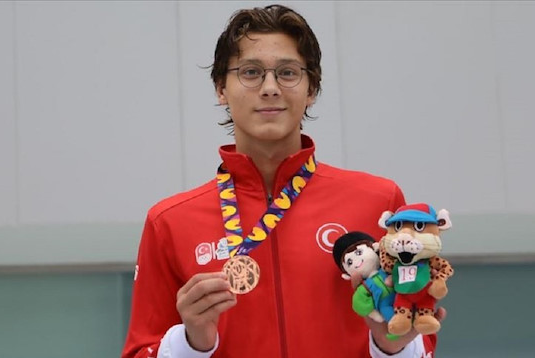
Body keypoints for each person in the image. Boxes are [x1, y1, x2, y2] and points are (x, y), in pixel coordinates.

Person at [121, 4, 446, 358]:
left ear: (311, 89)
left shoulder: (379, 201)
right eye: (250, 72)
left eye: (288, 73)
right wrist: (191, 342)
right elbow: (141, 350)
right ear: (220, 88)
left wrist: (391, 345)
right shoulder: (169, 222)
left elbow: (417, 328)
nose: (270, 88)